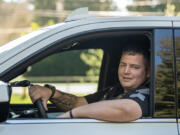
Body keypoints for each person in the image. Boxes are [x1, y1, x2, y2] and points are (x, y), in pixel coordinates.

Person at [29, 46, 150, 122]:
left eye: (135, 67)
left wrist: (73, 114)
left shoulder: (148, 94)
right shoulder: (113, 90)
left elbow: (128, 109)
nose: (126, 71)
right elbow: (78, 103)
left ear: (148, 72)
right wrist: (51, 93)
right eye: (123, 65)